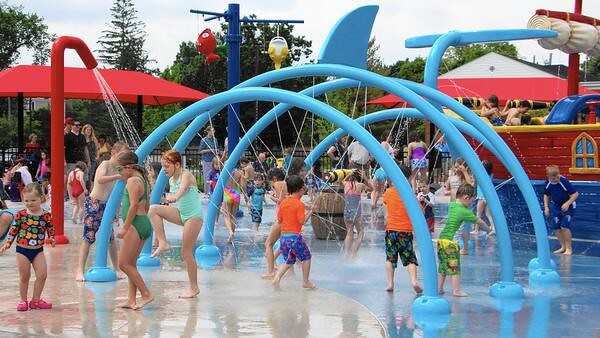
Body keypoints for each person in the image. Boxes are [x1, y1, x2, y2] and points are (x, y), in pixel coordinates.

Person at [149, 150, 202, 298]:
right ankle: (163, 242)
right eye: (163, 166)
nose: (164, 169)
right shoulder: (171, 179)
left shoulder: (187, 175)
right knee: (153, 210)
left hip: (193, 217)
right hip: (181, 214)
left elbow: (182, 190)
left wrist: (174, 197)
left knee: (186, 252)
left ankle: (194, 287)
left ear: (177, 164)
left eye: (166, 166)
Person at [75, 142, 128, 282]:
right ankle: (80, 270)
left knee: (110, 239)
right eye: (122, 154)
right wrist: (117, 177)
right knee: (88, 238)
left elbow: (117, 193)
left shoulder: (118, 170)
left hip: (107, 206)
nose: (123, 158)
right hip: (94, 203)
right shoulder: (105, 164)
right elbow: (100, 179)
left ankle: (116, 268)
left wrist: (116, 211)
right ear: (114, 153)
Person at [0, 183, 55, 311]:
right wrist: (8, 243)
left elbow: (50, 228)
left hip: (38, 250)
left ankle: (36, 300)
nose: (29, 203)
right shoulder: (21, 214)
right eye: (26, 200)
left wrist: (52, 238)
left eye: (33, 200)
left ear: (41, 198)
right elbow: (14, 229)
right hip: (22, 250)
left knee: (42, 275)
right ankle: (23, 300)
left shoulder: (46, 215)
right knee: (25, 276)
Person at [115, 151, 153, 309]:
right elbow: (146, 205)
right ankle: (131, 299)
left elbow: (134, 206)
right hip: (142, 223)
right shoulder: (141, 180)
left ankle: (146, 294)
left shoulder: (132, 181)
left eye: (119, 170)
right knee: (131, 264)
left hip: (135, 225)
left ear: (129, 167)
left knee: (123, 264)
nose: (119, 174)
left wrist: (125, 228)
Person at [437, 183, 488, 297]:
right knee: (454, 267)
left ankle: (440, 288)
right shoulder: (465, 212)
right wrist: (489, 229)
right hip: (451, 243)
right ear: (466, 198)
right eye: (471, 200)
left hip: (441, 240)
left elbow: (463, 229)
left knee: (443, 266)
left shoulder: (453, 205)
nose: (471, 203)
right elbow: (480, 222)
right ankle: (456, 290)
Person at [381, 164, 423, 294]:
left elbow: (386, 215)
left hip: (391, 230)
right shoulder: (409, 194)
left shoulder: (388, 193)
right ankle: (414, 281)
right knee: (410, 258)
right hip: (405, 231)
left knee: (390, 258)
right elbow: (419, 212)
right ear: (407, 178)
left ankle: (390, 283)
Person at [271, 175, 316, 289]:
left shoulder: (283, 203)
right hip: (295, 237)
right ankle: (305, 282)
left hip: (284, 238)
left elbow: (280, 220)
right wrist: (311, 211)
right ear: (300, 190)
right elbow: (302, 221)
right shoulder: (299, 204)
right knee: (306, 257)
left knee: (289, 261)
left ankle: (276, 278)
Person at [543, 165, 579, 255]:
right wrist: (546, 207)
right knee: (555, 226)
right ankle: (563, 247)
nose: (556, 178)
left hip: (569, 206)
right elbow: (546, 195)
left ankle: (569, 248)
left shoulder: (563, 181)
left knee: (564, 226)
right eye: (553, 177)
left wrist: (567, 203)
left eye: (557, 176)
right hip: (557, 206)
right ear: (548, 176)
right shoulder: (547, 183)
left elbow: (575, 194)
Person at [262, 168, 287, 278]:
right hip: (289, 217)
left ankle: (271, 271)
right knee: (285, 243)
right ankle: (290, 270)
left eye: (270, 181)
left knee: (268, 244)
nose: (271, 184)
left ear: (274, 178)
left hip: (282, 218)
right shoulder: (287, 183)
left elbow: (281, 201)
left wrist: (272, 197)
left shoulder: (277, 184)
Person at [343, 170, 371, 259]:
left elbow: (342, 180)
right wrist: (365, 178)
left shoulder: (345, 184)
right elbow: (372, 189)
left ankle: (346, 254)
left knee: (349, 233)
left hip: (347, 212)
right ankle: (354, 253)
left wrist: (348, 174)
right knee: (361, 232)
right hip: (357, 213)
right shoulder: (360, 185)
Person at [471, 160, 496, 235]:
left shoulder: (480, 176)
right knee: (488, 214)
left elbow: (474, 180)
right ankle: (493, 228)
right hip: (488, 197)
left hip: (481, 197)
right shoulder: (491, 175)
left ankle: (476, 230)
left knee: (478, 214)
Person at [222, 169, 242, 243]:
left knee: (226, 215)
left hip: (228, 192)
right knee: (233, 216)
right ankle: (232, 238)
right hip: (236, 193)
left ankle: (230, 232)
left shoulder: (226, 170)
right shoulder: (239, 172)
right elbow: (242, 185)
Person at [199, 126, 219, 195]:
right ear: (208, 131)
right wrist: (209, 150)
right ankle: (207, 192)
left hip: (214, 160)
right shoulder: (204, 140)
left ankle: (213, 191)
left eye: (214, 131)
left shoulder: (215, 140)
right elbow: (200, 151)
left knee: (214, 176)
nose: (213, 132)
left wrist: (216, 151)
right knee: (207, 176)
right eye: (212, 131)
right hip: (206, 160)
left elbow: (217, 149)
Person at [82, 124, 99, 191]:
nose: (89, 131)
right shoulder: (82, 138)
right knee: (84, 176)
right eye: (87, 130)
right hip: (83, 160)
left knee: (90, 175)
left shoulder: (94, 139)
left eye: (90, 130)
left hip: (92, 159)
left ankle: (88, 191)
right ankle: (83, 190)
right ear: (84, 130)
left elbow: (97, 148)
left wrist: (97, 156)